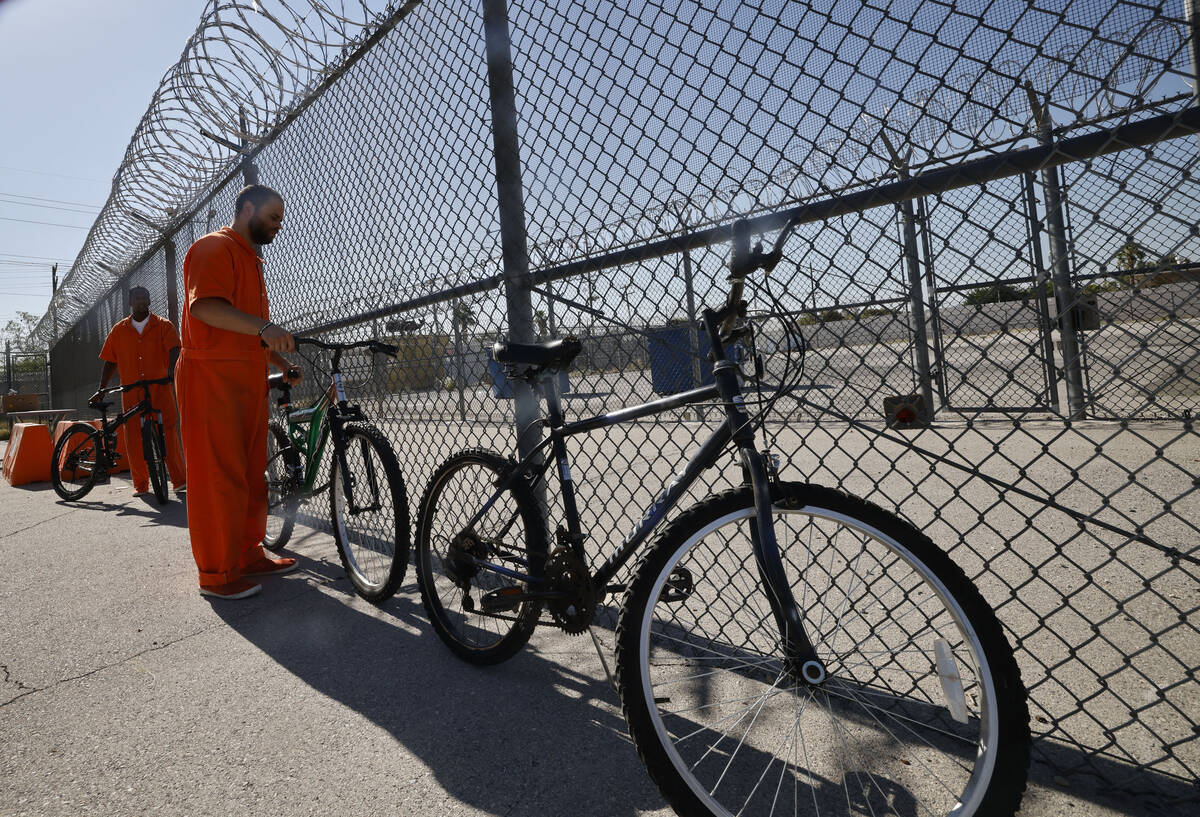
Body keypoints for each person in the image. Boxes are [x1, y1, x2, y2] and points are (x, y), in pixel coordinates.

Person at [177, 184, 302, 600]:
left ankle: (247, 554)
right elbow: (205, 308)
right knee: (218, 476)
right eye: (273, 217)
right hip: (211, 379)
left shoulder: (251, 260)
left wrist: (277, 361)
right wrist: (266, 329)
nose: (278, 226)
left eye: (280, 219)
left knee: (251, 474)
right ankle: (216, 574)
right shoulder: (215, 248)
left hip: (245, 378)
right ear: (247, 208)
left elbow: (243, 331)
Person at [90, 286, 186, 495]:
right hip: (132, 391)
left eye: (144, 297)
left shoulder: (163, 326)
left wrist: (171, 372)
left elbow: (174, 350)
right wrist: (102, 389)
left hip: (159, 388)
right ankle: (141, 484)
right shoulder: (119, 330)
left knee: (168, 432)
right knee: (133, 437)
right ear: (130, 302)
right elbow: (109, 361)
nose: (141, 300)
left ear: (149, 300)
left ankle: (179, 480)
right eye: (136, 297)